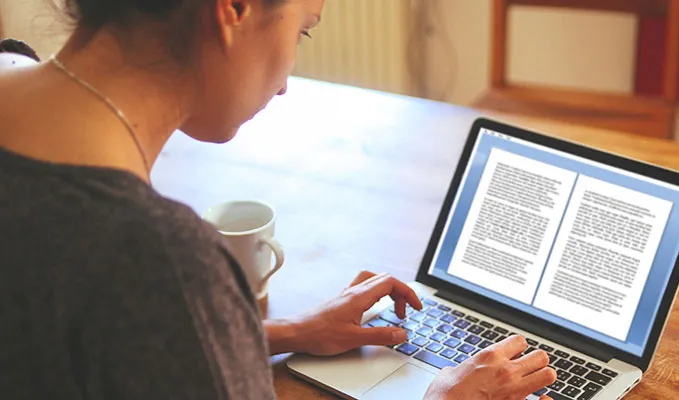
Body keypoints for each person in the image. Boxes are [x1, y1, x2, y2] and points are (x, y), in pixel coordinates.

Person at [0, 0, 556, 398]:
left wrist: (279, 331)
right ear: (233, 9)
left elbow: (89, 340)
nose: (287, 79)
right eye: (303, 32)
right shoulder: (158, 261)